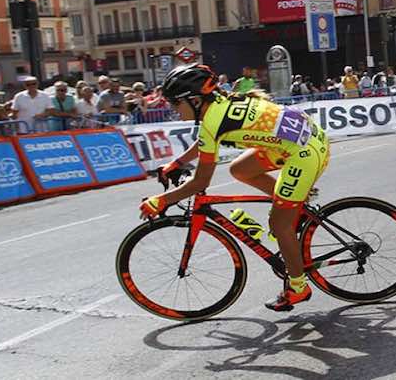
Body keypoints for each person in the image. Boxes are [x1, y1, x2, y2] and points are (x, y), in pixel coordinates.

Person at [141, 64, 330, 312]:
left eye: (176, 104)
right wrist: (178, 162)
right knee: (239, 169)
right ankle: (292, 202)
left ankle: (298, 288)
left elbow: (200, 182)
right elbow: (206, 141)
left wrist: (160, 201)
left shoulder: (212, 120)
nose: (174, 110)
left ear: (195, 101)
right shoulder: (218, 105)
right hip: (297, 140)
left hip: (304, 152)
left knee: (279, 225)